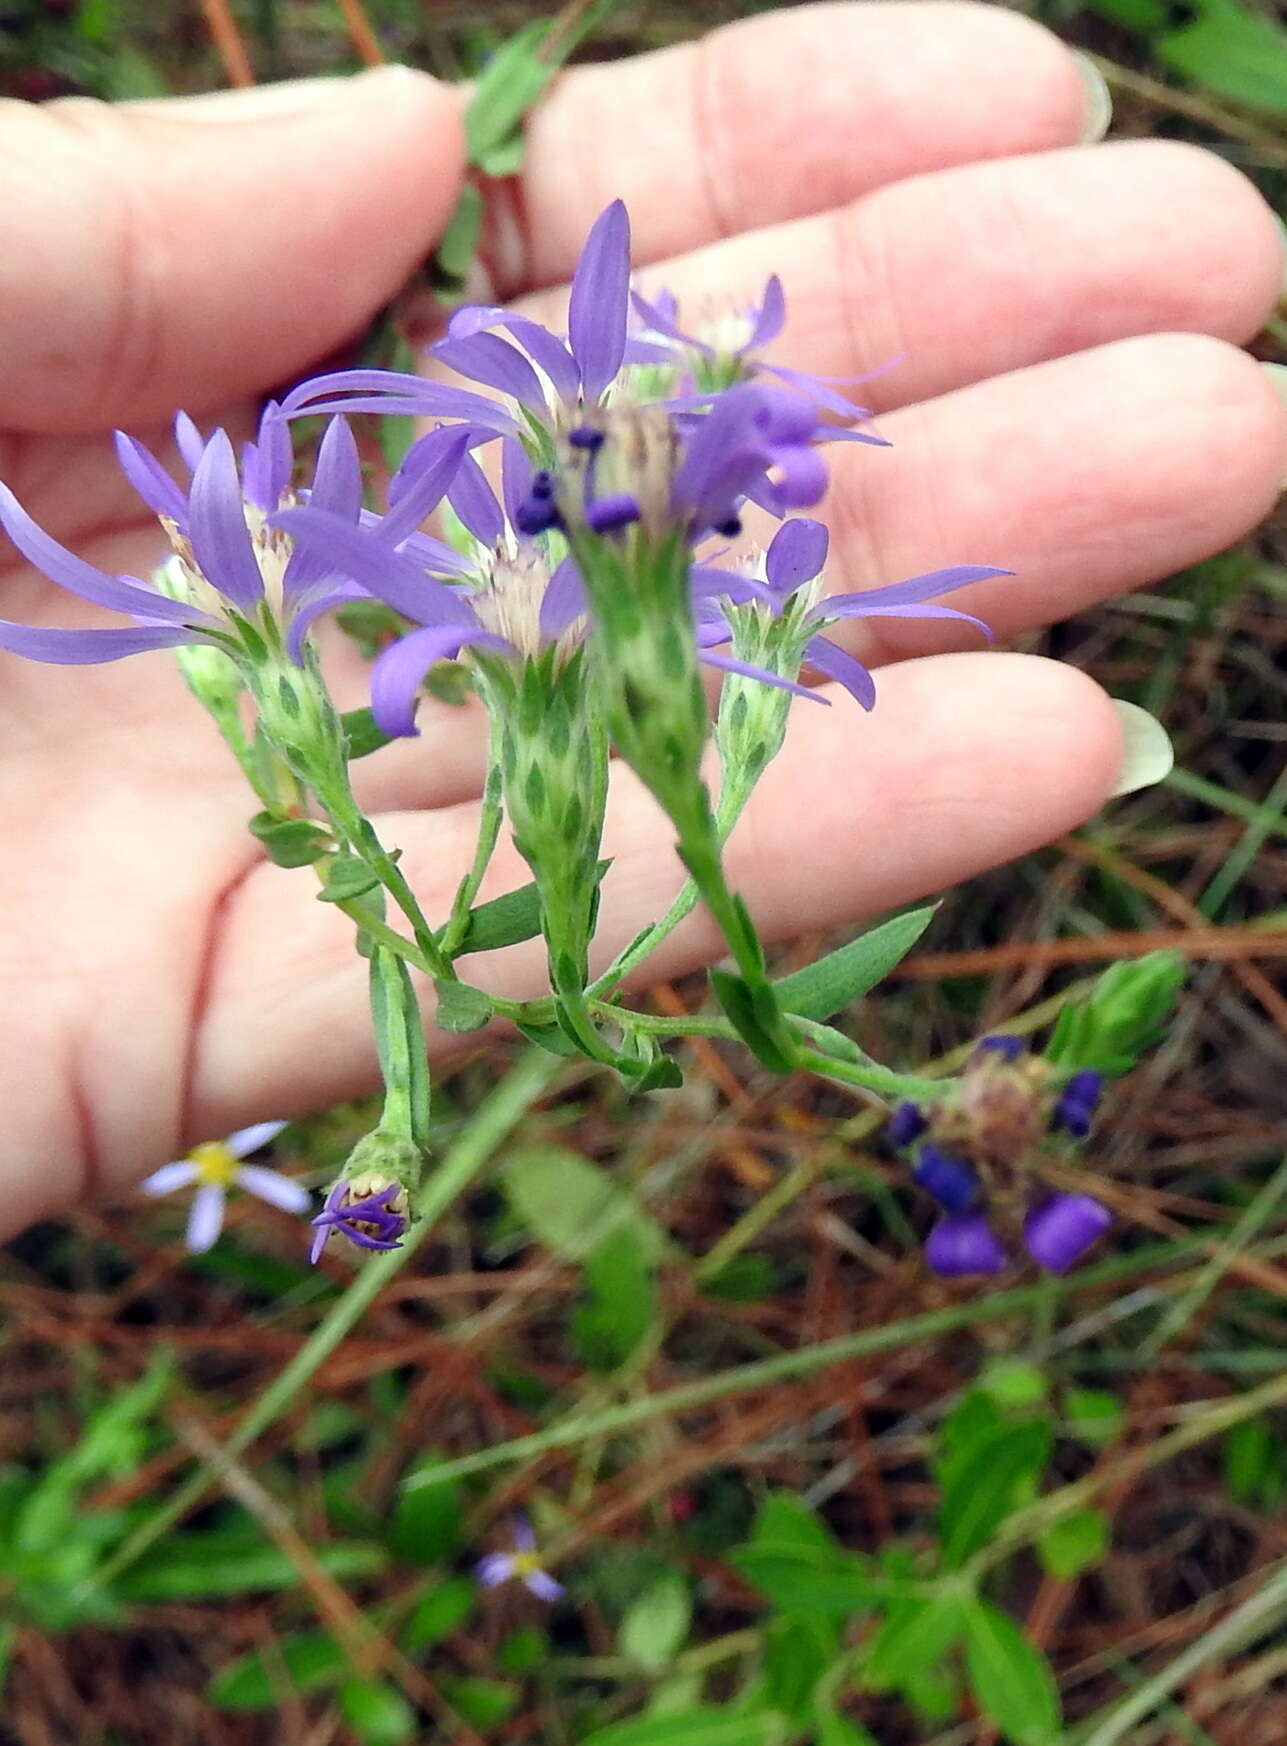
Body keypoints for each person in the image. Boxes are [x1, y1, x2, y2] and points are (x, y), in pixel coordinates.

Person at [0, 1, 1283, 1246]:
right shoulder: (441, 580)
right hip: (444, 652)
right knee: (555, 803)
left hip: (554, 643)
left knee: (597, 796)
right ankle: (427, 1084)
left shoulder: (596, 564)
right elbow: (415, 654)